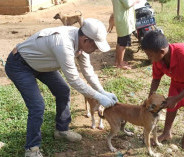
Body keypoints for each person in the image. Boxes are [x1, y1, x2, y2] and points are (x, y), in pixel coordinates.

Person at [5, 18, 118, 157]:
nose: (95, 50)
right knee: (37, 105)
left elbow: (87, 70)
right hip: (20, 65)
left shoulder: (81, 44)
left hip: (42, 63)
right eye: (95, 46)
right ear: (85, 39)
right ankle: (31, 149)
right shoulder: (63, 44)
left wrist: (102, 91)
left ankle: (61, 130)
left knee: (63, 91)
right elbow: (74, 79)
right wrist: (98, 97)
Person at [141, 31, 184, 151]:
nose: (149, 58)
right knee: (171, 105)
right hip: (178, 77)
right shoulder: (158, 60)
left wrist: (177, 98)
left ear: (161, 52)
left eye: (150, 55)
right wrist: (150, 98)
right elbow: (156, 79)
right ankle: (167, 132)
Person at [111, 0, 140, 70]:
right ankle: (120, 64)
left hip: (120, 19)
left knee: (120, 42)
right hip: (124, 21)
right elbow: (128, 4)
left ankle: (117, 62)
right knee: (123, 44)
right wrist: (136, 1)